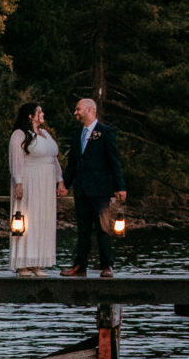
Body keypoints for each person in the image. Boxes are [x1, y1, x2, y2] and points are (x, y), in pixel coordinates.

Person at [63, 95, 127, 277]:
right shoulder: (77, 135)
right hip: (81, 188)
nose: (75, 113)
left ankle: (107, 265)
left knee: (103, 228)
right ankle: (79, 265)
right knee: (82, 229)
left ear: (90, 110)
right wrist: (65, 184)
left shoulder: (105, 132)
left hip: (100, 189)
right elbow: (73, 163)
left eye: (78, 109)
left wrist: (120, 186)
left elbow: (114, 161)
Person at [7, 104, 59, 273]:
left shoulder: (45, 134)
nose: (42, 114)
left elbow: (53, 158)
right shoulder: (20, 134)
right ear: (30, 116)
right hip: (30, 180)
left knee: (42, 221)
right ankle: (22, 263)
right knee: (26, 220)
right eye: (39, 111)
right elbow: (16, 159)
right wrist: (18, 182)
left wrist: (60, 180)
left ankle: (36, 262)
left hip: (46, 183)